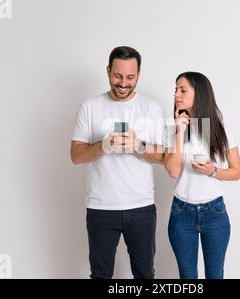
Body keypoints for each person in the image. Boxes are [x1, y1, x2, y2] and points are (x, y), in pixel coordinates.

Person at [70, 46, 165, 279]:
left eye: (130, 77)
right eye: (118, 76)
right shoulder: (90, 107)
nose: (123, 83)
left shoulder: (151, 107)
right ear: (108, 71)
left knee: (144, 275)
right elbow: (75, 155)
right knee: (100, 275)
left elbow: (165, 156)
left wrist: (138, 146)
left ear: (139, 74)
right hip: (101, 208)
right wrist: (103, 145)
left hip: (141, 207)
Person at [164, 72, 240, 279]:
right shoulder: (173, 130)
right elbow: (173, 171)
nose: (176, 95)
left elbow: (237, 172)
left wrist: (213, 171)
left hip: (214, 212)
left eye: (182, 90)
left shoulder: (221, 130)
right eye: (175, 90)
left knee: (215, 275)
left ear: (200, 94)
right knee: (188, 277)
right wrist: (180, 132)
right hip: (181, 213)